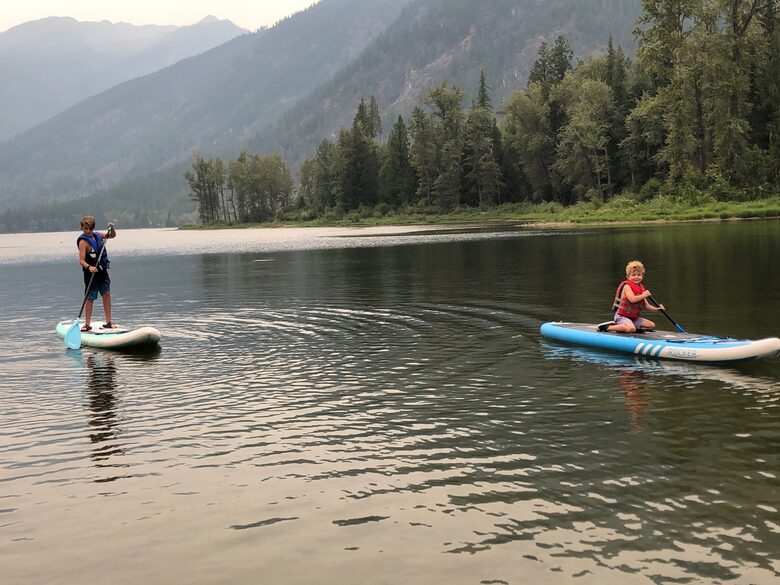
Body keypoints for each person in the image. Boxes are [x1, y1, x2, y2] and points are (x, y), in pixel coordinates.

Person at [597, 260, 664, 333]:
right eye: (633, 275)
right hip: (621, 316)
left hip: (633, 318)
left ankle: (627, 326)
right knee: (631, 329)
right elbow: (632, 300)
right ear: (628, 277)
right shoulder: (627, 286)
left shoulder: (641, 288)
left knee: (651, 325)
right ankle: (608, 327)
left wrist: (658, 309)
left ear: (642, 276)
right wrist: (644, 295)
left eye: (639, 275)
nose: (636, 277)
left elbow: (647, 306)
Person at [77, 216, 117, 331]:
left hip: (102, 271)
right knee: (90, 297)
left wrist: (112, 228)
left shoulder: (98, 235)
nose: (88, 231)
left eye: (90, 229)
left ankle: (109, 322)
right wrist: (89, 267)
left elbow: (112, 235)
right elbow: (81, 261)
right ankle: (87, 324)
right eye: (85, 229)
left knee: (106, 293)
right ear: (81, 228)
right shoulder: (83, 242)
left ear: (93, 228)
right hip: (91, 274)